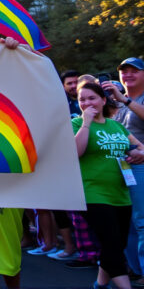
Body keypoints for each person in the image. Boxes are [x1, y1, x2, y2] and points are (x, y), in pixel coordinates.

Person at [74, 80, 144, 289]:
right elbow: (76, 152)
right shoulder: (76, 124)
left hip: (121, 193)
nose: (87, 103)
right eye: (82, 99)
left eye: (92, 98)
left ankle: (100, 284)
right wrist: (86, 122)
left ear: (104, 100)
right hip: (93, 192)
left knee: (117, 244)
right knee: (112, 244)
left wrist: (136, 153)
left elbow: (139, 147)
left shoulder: (116, 125)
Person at [108, 58, 144, 278]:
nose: (128, 75)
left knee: (141, 223)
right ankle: (136, 271)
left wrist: (125, 100)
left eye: (134, 71)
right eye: (124, 71)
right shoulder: (119, 102)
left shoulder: (127, 101)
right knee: (127, 222)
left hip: (141, 167)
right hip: (122, 167)